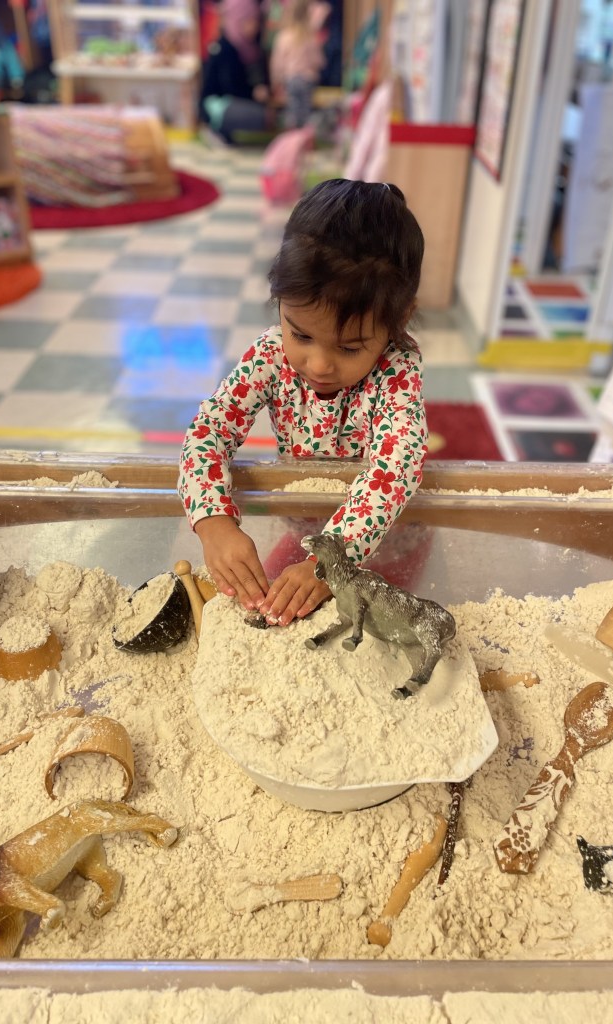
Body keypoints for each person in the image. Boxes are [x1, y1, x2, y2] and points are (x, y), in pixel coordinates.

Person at [178, 178, 427, 627]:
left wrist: (331, 561)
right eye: (301, 334)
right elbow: (210, 430)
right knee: (269, 613)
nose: (319, 364)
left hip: (389, 544)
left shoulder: (395, 372)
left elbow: (395, 470)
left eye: (349, 347)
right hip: (306, 536)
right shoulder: (271, 355)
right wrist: (213, 521)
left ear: (398, 320)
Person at [199, 0, 272, 142]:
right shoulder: (224, 48)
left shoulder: (252, 49)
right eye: (248, 21)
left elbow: (261, 77)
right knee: (263, 117)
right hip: (216, 105)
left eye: (256, 21)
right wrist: (253, 93)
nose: (254, 26)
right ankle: (215, 130)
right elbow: (229, 87)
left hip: (238, 100)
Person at [270, 0, 328, 129]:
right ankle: (304, 132)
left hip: (291, 79)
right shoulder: (310, 36)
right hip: (307, 79)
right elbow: (318, 61)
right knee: (305, 111)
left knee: (293, 109)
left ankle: (293, 131)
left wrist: (276, 81)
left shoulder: (284, 36)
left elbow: (277, 63)